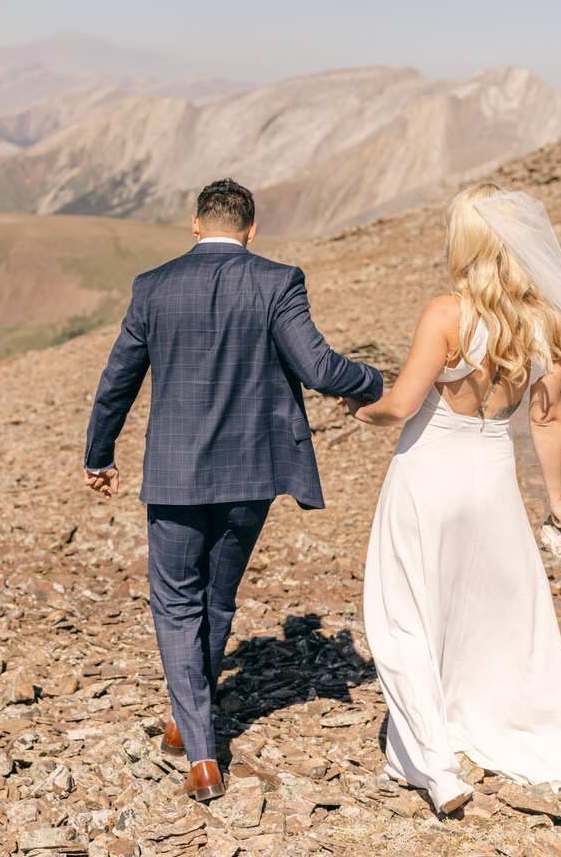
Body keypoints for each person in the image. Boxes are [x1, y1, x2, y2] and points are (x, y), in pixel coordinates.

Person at [83, 178, 384, 802]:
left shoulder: (153, 286)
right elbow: (320, 368)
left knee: (174, 604)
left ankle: (200, 752)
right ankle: (187, 716)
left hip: (172, 474)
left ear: (195, 224)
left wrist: (99, 454)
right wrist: (379, 381)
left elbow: (117, 381)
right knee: (217, 600)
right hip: (250, 475)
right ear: (251, 230)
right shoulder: (278, 281)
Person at [352, 182, 561, 812]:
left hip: (429, 477)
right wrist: (557, 498)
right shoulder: (546, 323)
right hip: (493, 483)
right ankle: (507, 725)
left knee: (402, 615)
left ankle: (437, 766)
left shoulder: (447, 314)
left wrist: (356, 409)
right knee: (492, 611)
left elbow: (400, 406)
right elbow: (546, 418)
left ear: (468, 243)